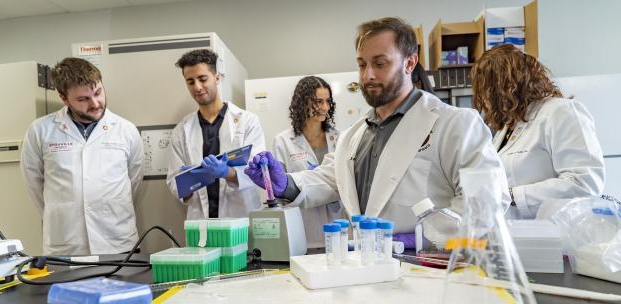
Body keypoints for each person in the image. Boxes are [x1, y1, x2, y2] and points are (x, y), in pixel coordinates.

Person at [245, 17, 509, 248]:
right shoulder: (353, 135)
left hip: (429, 269)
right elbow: (330, 179)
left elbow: (487, 201)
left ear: (410, 63)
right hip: (367, 267)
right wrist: (286, 184)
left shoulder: (455, 124)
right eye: (362, 65)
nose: (368, 75)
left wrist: (419, 239)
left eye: (380, 63)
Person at [21, 57, 143, 255]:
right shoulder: (40, 131)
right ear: (64, 98)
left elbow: (134, 182)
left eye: (98, 93)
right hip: (66, 245)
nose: (95, 103)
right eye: (83, 99)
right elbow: (34, 185)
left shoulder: (126, 130)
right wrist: (65, 212)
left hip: (117, 243)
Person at [472, 44, 605, 219]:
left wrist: (512, 196)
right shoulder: (507, 128)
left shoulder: (560, 112)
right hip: (522, 235)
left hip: (557, 236)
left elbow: (585, 183)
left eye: (488, 89)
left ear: (509, 85)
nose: (485, 98)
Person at [167, 49, 266, 220]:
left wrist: (226, 172)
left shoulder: (247, 121)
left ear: (217, 78)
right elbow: (174, 183)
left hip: (240, 219)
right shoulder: (181, 131)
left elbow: (257, 173)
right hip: (201, 222)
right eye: (190, 82)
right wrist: (188, 182)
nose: (197, 87)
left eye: (202, 79)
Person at [272, 76, 344, 249]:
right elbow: (279, 192)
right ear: (302, 103)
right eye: (318, 102)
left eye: (327, 101)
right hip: (304, 227)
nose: (325, 107)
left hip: (339, 227)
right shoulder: (283, 141)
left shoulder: (340, 139)